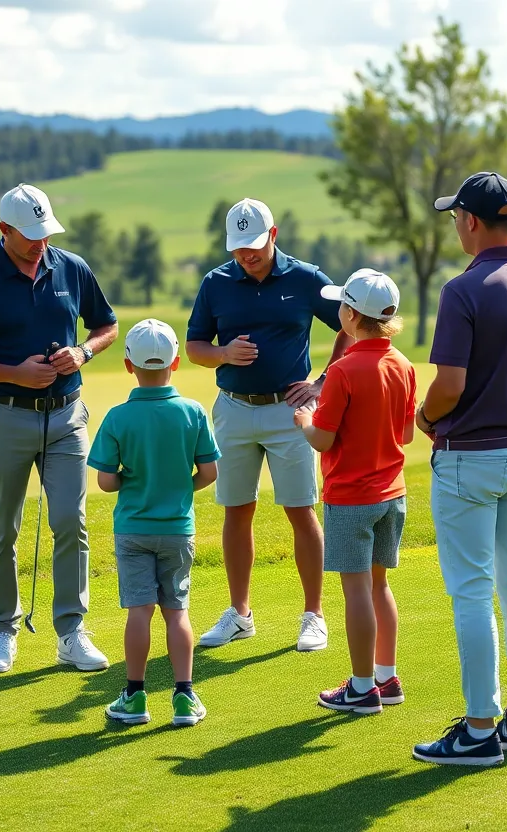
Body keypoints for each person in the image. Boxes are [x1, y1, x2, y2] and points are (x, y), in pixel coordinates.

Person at [411, 172, 507, 767]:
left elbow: (448, 386)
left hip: (469, 459)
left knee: (473, 593)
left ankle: (479, 731)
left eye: (456, 216)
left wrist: (426, 416)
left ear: (472, 221)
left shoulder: (463, 289)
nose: (454, 224)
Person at [0, 183, 118, 675]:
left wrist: (82, 353)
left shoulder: (71, 267)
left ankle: (72, 630)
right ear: (4, 230)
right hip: (6, 414)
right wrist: (14, 372)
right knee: (3, 528)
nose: (41, 242)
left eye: (45, 232)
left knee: (70, 522)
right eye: (30, 234)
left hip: (66, 415)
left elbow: (107, 326)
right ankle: (2, 631)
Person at [185, 197, 354, 653]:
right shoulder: (216, 282)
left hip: (289, 412)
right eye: (239, 249)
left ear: (274, 235)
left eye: (255, 246)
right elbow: (195, 346)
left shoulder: (305, 278)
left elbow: (351, 323)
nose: (247, 255)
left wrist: (321, 382)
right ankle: (240, 614)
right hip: (234, 408)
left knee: (301, 510)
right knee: (236, 510)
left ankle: (313, 616)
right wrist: (222, 354)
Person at [292, 269, 417, 715]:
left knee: (356, 590)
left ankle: (362, 687)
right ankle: (386, 677)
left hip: (351, 495)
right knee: (379, 585)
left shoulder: (344, 370)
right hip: (393, 493)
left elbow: (323, 440)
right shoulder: (403, 364)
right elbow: (405, 433)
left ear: (349, 314)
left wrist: (305, 419)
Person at [89, 319, 220, 727]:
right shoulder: (192, 412)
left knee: (140, 611)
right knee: (176, 611)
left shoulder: (118, 417)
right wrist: (182, 489)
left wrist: (130, 478)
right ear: (176, 362)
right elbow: (209, 473)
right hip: (177, 528)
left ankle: (134, 696)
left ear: (129, 365)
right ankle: (183, 696)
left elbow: (106, 481)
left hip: (133, 529)